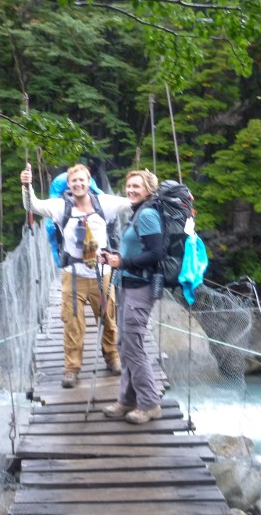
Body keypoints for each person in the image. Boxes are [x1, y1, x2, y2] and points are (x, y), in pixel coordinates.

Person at [21, 163, 130, 388]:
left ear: (89, 182)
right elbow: (32, 205)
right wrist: (27, 185)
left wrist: (156, 193)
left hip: (102, 273)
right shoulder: (61, 207)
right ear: (69, 185)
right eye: (74, 181)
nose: (78, 184)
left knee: (108, 319)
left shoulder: (105, 204)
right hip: (73, 275)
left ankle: (112, 357)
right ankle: (72, 368)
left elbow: (132, 202)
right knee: (72, 322)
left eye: (82, 180)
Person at [100, 169, 164, 425]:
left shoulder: (147, 214)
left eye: (136, 186)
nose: (131, 190)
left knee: (133, 346)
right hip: (129, 284)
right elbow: (138, 249)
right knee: (125, 345)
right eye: (128, 186)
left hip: (141, 287)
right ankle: (127, 399)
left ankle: (149, 404)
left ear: (148, 190)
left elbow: (156, 253)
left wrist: (122, 261)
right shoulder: (138, 212)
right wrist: (113, 257)